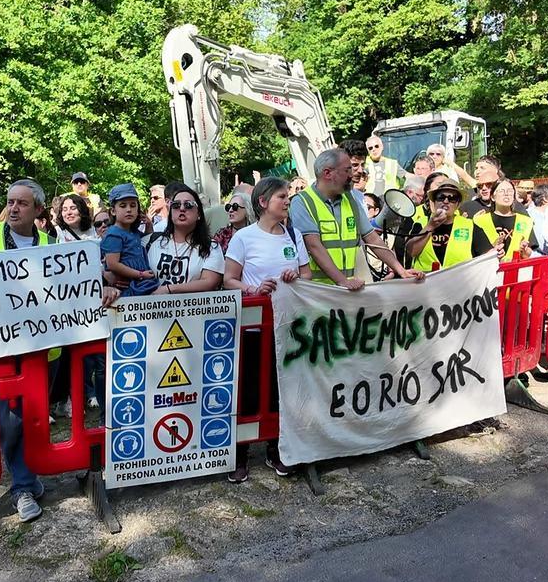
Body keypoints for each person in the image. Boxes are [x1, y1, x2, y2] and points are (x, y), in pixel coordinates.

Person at [0, 180, 55, 521]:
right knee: (11, 420)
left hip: (38, 348)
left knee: (30, 416)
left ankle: (26, 476)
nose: (14, 208)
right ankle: (22, 486)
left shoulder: (50, 242)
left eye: (22, 203)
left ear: (38, 210)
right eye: (10, 202)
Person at [222, 176, 312, 482]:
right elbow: (228, 279)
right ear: (263, 202)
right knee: (247, 390)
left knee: (280, 388)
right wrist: (253, 288)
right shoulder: (244, 237)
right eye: (281, 197)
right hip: (252, 329)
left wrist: (294, 277)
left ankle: (278, 449)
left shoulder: (293, 234)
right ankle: (240, 453)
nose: (287, 201)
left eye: (288, 196)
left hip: (287, 325)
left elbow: (306, 275)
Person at [289, 147, 425, 289]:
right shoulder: (302, 202)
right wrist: (343, 281)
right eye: (347, 170)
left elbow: (372, 238)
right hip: (319, 291)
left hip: (346, 290)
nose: (355, 173)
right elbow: (314, 246)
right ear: (327, 173)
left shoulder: (350, 199)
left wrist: (401, 271)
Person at [144, 186, 224, 293]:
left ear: (199, 214)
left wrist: (169, 289)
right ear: (170, 212)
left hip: (194, 308)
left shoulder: (211, 247)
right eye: (176, 205)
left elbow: (210, 282)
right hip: (153, 307)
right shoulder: (150, 241)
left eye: (189, 205)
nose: (182, 209)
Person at [406, 178, 497, 271]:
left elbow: (488, 255)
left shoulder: (469, 225)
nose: (446, 201)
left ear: (458, 204)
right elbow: (411, 251)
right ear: (434, 201)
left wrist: (495, 252)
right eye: (441, 197)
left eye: (452, 198)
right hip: (426, 282)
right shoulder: (421, 223)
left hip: (459, 282)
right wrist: (430, 226)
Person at [100, 184, 158, 296]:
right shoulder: (114, 234)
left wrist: (149, 226)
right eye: (123, 206)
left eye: (133, 205)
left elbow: (147, 243)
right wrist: (140, 274)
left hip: (140, 283)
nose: (129, 210)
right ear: (113, 211)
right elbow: (112, 264)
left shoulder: (134, 232)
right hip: (128, 287)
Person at [473, 178, 537, 261]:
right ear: (492, 197)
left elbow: (530, 254)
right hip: (488, 270)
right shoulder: (479, 221)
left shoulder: (525, 221)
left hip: (516, 270)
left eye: (510, 191)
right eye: (501, 191)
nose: (506, 194)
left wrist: (525, 252)